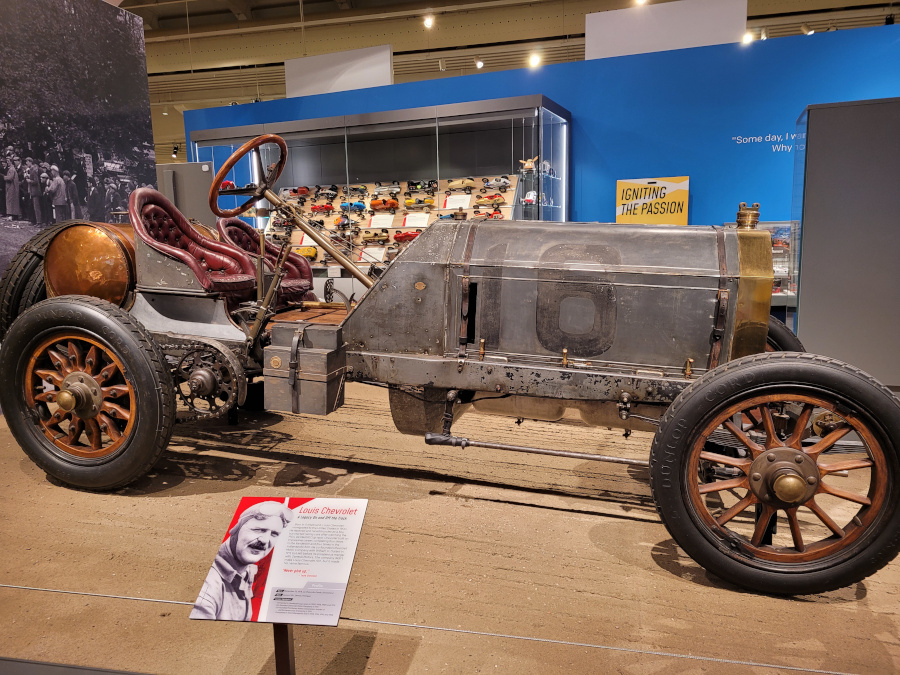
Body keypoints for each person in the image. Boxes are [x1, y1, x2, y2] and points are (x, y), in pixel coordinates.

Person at [190, 501, 294, 621]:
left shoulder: (247, 570)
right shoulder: (210, 585)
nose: (265, 540)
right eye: (259, 530)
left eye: (274, 534)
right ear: (236, 529)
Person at [24, 158, 43, 225]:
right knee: (34, 207)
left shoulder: (33, 170)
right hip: (32, 191)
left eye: (27, 162)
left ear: (30, 162)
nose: (26, 163)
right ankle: (35, 221)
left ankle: (39, 222)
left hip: (35, 191)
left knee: (36, 207)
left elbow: (36, 181)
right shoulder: (31, 170)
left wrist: (29, 181)